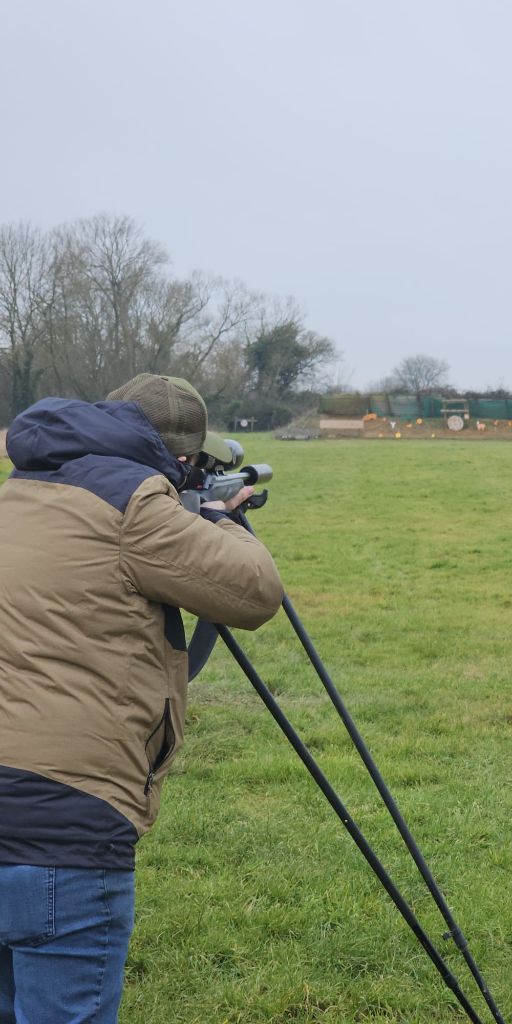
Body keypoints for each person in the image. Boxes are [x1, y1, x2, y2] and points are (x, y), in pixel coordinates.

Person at [0, 373, 284, 1023]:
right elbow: (255, 592)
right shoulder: (136, 502)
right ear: (180, 459)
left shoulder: (22, 488)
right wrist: (222, 522)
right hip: (64, 828)